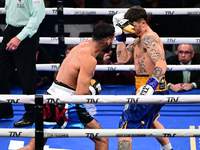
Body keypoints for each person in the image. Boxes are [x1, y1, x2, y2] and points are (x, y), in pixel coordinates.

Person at [18, 23, 115, 150]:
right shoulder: (89, 59)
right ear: (108, 41)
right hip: (66, 104)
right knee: (102, 139)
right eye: (113, 39)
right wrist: (94, 90)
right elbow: (80, 95)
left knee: (33, 147)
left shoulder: (82, 45)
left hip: (49, 98)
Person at [113, 6, 173, 150]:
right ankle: (168, 149)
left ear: (143, 23)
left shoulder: (148, 38)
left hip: (152, 86)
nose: (131, 29)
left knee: (125, 126)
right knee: (151, 120)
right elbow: (122, 59)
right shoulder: (137, 39)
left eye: (133, 25)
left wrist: (150, 85)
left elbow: (161, 63)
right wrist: (120, 37)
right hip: (145, 86)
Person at [0, 0, 45, 127]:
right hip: (9, 31)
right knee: (1, 71)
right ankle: (4, 109)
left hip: (26, 35)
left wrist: (20, 37)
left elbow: (38, 16)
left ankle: (31, 114)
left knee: (26, 75)